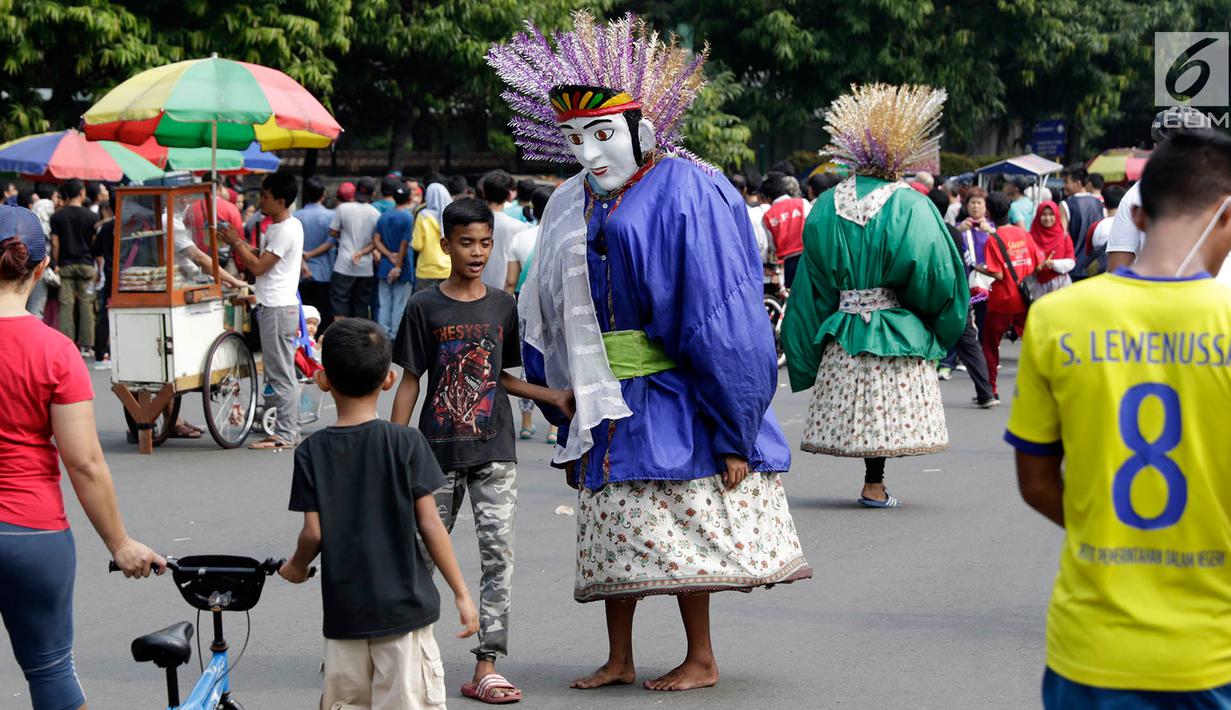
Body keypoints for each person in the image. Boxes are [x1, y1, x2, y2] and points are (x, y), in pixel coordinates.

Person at [489, 12, 810, 692]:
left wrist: (734, 429)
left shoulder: (688, 189)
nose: (587, 153)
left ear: (641, 130)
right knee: (610, 530)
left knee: (679, 531)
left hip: (673, 396)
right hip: (601, 402)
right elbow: (547, 306)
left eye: (602, 134)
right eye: (574, 138)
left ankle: (700, 656)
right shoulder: (573, 202)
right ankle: (619, 657)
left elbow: (720, 317)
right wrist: (557, 396)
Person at [1006, 130, 1231, 709]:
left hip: (1090, 649)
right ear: (1226, 212)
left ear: (1135, 212)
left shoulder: (1057, 319)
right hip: (1214, 655)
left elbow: (1035, 482)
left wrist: (1107, 531)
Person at [391, 197, 574, 703]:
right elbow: (410, 382)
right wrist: (395, 448)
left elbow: (501, 377)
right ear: (445, 244)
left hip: (495, 450)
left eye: (485, 243)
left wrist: (551, 395)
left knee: (498, 559)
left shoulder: (502, 304)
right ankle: (403, 654)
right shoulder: (423, 306)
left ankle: (486, 666)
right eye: (466, 243)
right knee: (420, 556)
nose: (477, 252)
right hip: (434, 454)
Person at [0, 204, 164, 710]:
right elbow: (85, 463)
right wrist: (120, 543)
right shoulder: (55, 351)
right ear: (42, 269)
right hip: (31, 532)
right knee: (49, 672)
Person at [783, 82, 967, 508]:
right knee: (884, 411)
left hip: (845, 324)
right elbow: (934, 273)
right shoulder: (911, 204)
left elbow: (813, 285)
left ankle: (872, 481)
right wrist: (933, 320)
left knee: (859, 408)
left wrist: (808, 341)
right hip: (892, 325)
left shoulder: (826, 205)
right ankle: (874, 482)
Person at [279, 318, 479, 710]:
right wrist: (461, 592)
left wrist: (296, 567)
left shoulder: (311, 451)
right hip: (405, 611)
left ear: (323, 380)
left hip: (345, 616)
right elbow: (430, 523)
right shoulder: (405, 442)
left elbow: (313, 535)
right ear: (388, 380)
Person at [219, 173, 305, 451]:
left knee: (280, 373)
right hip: (276, 305)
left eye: (265, 196)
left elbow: (258, 267)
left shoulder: (284, 230)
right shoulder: (284, 226)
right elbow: (263, 256)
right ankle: (286, 428)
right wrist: (243, 245)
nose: (261, 201)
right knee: (280, 371)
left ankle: (285, 432)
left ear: (280, 201)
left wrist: (235, 243)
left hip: (278, 308)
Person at [1106, 106, 1214, 273]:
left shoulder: (1136, 195)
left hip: (1156, 294)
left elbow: (1117, 269)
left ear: (1156, 148)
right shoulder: (1223, 191)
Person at [927, 188, 997, 406]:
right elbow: (966, 263)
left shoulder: (924, 231)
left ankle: (921, 395)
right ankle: (986, 393)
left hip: (931, 295)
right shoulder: (955, 232)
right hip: (959, 294)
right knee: (968, 342)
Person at [505, 186, 560, 445]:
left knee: (529, 366)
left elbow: (510, 282)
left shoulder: (521, 238)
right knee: (557, 365)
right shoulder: (563, 236)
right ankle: (554, 427)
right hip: (556, 310)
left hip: (526, 311)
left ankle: (526, 424)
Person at [980, 192, 1045, 400]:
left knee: (990, 345)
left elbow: (997, 273)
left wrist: (979, 268)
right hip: (1024, 299)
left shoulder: (994, 239)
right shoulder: (1023, 234)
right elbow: (1038, 264)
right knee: (1034, 344)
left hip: (1001, 301)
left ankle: (991, 390)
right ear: (1010, 210)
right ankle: (1044, 387)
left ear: (988, 212)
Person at [48, 179, 100, 355]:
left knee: (66, 305)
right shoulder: (92, 217)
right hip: (86, 264)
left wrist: (56, 263)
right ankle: (87, 345)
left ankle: (66, 344)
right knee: (87, 305)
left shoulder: (58, 216)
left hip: (66, 265)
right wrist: (97, 266)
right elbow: (95, 245)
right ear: (81, 193)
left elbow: (55, 243)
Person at [330, 177, 380, 320]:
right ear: (373, 194)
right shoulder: (375, 214)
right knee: (361, 305)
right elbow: (375, 242)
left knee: (339, 303)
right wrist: (361, 252)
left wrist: (344, 232)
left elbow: (332, 231)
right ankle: (360, 339)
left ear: (355, 191)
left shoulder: (343, 208)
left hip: (343, 265)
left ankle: (340, 337)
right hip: (365, 268)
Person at [372, 184, 416, 338]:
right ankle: (395, 337)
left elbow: (376, 240)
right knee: (399, 304)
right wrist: (397, 263)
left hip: (384, 266)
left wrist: (388, 255)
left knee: (384, 303)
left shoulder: (383, 216)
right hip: (403, 267)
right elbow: (405, 243)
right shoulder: (409, 217)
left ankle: (383, 335)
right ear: (410, 198)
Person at [296, 177, 337, 331]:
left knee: (303, 314)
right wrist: (312, 254)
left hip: (301, 271)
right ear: (323, 195)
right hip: (324, 271)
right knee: (323, 314)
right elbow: (331, 242)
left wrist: (305, 257)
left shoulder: (296, 216)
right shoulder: (331, 216)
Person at [479, 170, 528, 293]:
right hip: (506, 290)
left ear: (484, 193)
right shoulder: (520, 227)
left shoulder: (473, 223)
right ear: (509, 195)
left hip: (475, 289)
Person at [761, 171, 811, 287]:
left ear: (768, 198)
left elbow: (771, 245)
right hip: (808, 258)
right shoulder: (803, 203)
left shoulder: (768, 216)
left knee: (793, 297)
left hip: (788, 263)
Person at [1059, 165, 1104, 277]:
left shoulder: (1066, 204)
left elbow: (1061, 235)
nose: (1064, 186)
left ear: (1078, 183)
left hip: (1073, 265)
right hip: (1095, 265)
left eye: (1066, 182)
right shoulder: (1098, 203)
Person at [411, 183, 453, 293]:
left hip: (426, 269)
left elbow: (417, 245)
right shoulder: (452, 217)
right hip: (448, 269)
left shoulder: (423, 215)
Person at [1027, 200, 1076, 296]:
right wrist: (1036, 267)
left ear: (1057, 215)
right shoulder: (1030, 237)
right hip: (1036, 286)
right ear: (1038, 216)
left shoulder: (1064, 236)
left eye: (1051, 214)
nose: (1047, 218)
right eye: (1044, 214)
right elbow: (1026, 262)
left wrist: (1053, 264)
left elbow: (1071, 262)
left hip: (1060, 286)